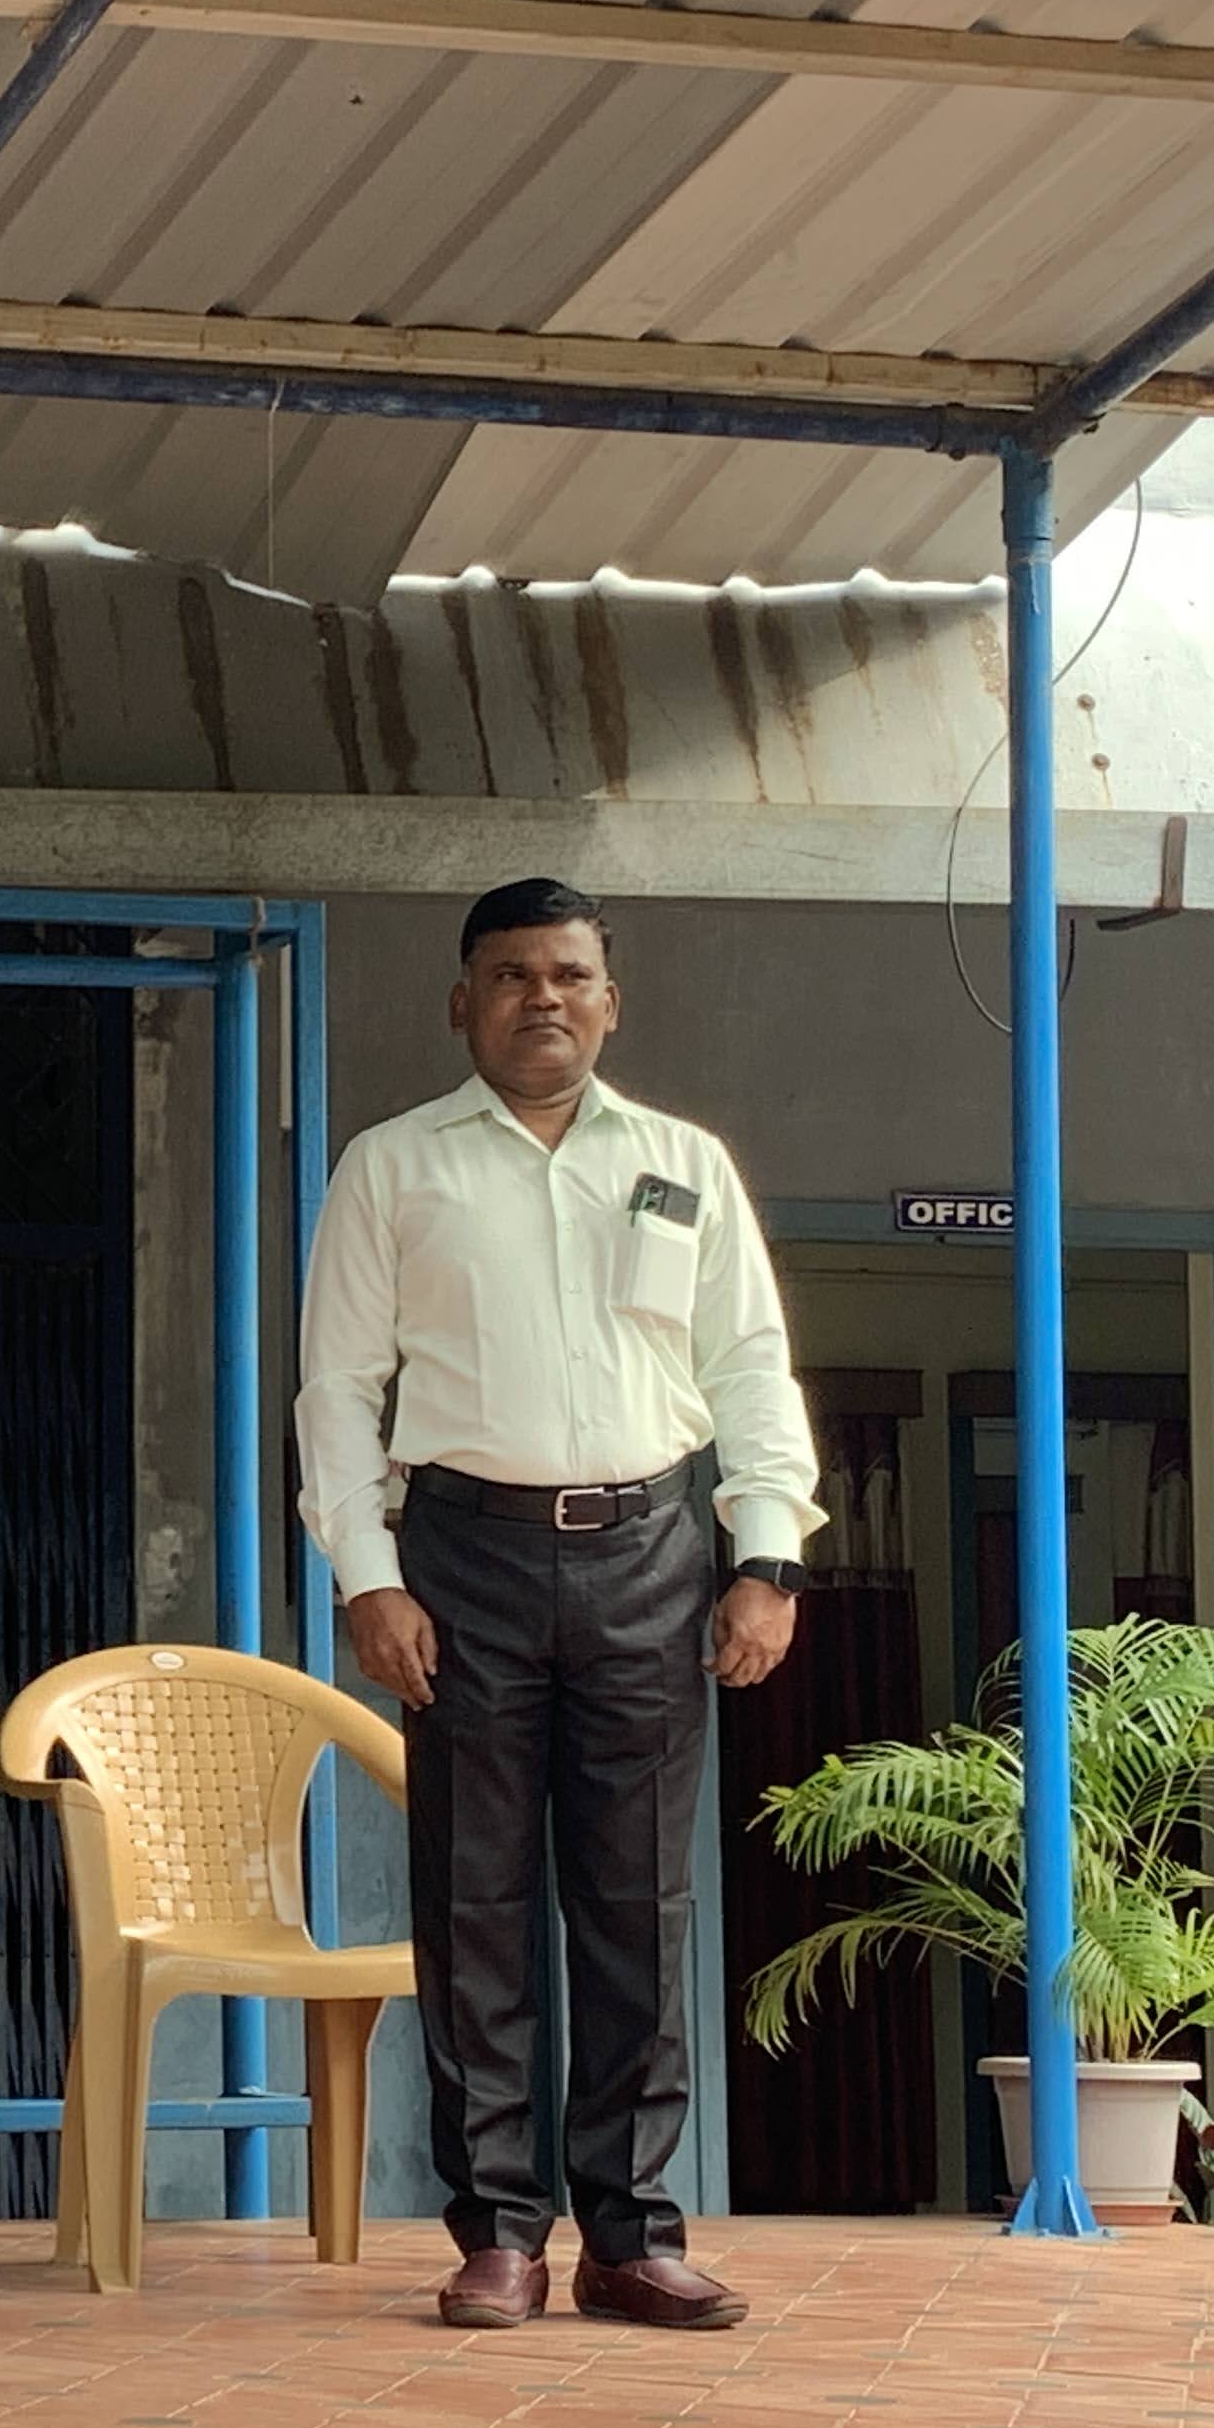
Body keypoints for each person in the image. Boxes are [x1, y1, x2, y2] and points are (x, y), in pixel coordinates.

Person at [294, 876, 814, 2335]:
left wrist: (765, 1555)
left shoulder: (683, 1164)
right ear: (461, 1003)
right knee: (475, 1902)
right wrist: (370, 1577)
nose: (544, 998)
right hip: (464, 1559)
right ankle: (501, 2234)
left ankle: (632, 2235)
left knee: (638, 1903)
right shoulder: (393, 1166)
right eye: (513, 975)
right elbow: (336, 1389)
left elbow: (750, 1366)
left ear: (610, 1001)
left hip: (652, 1552)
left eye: (570, 974)